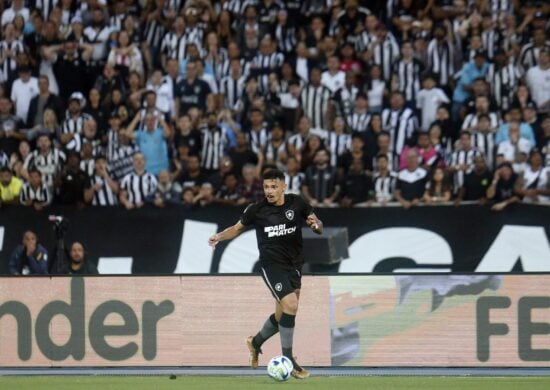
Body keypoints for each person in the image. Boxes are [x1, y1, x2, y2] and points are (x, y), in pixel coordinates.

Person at [208, 168, 323, 379]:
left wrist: (316, 225)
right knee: (291, 305)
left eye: (273, 186)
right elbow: (237, 228)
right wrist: (219, 236)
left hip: (294, 264)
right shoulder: (256, 210)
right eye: (266, 187)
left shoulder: (297, 203)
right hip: (272, 266)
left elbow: (317, 224)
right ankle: (289, 361)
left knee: (284, 316)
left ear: (283, 187)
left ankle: (255, 342)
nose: (269, 191)